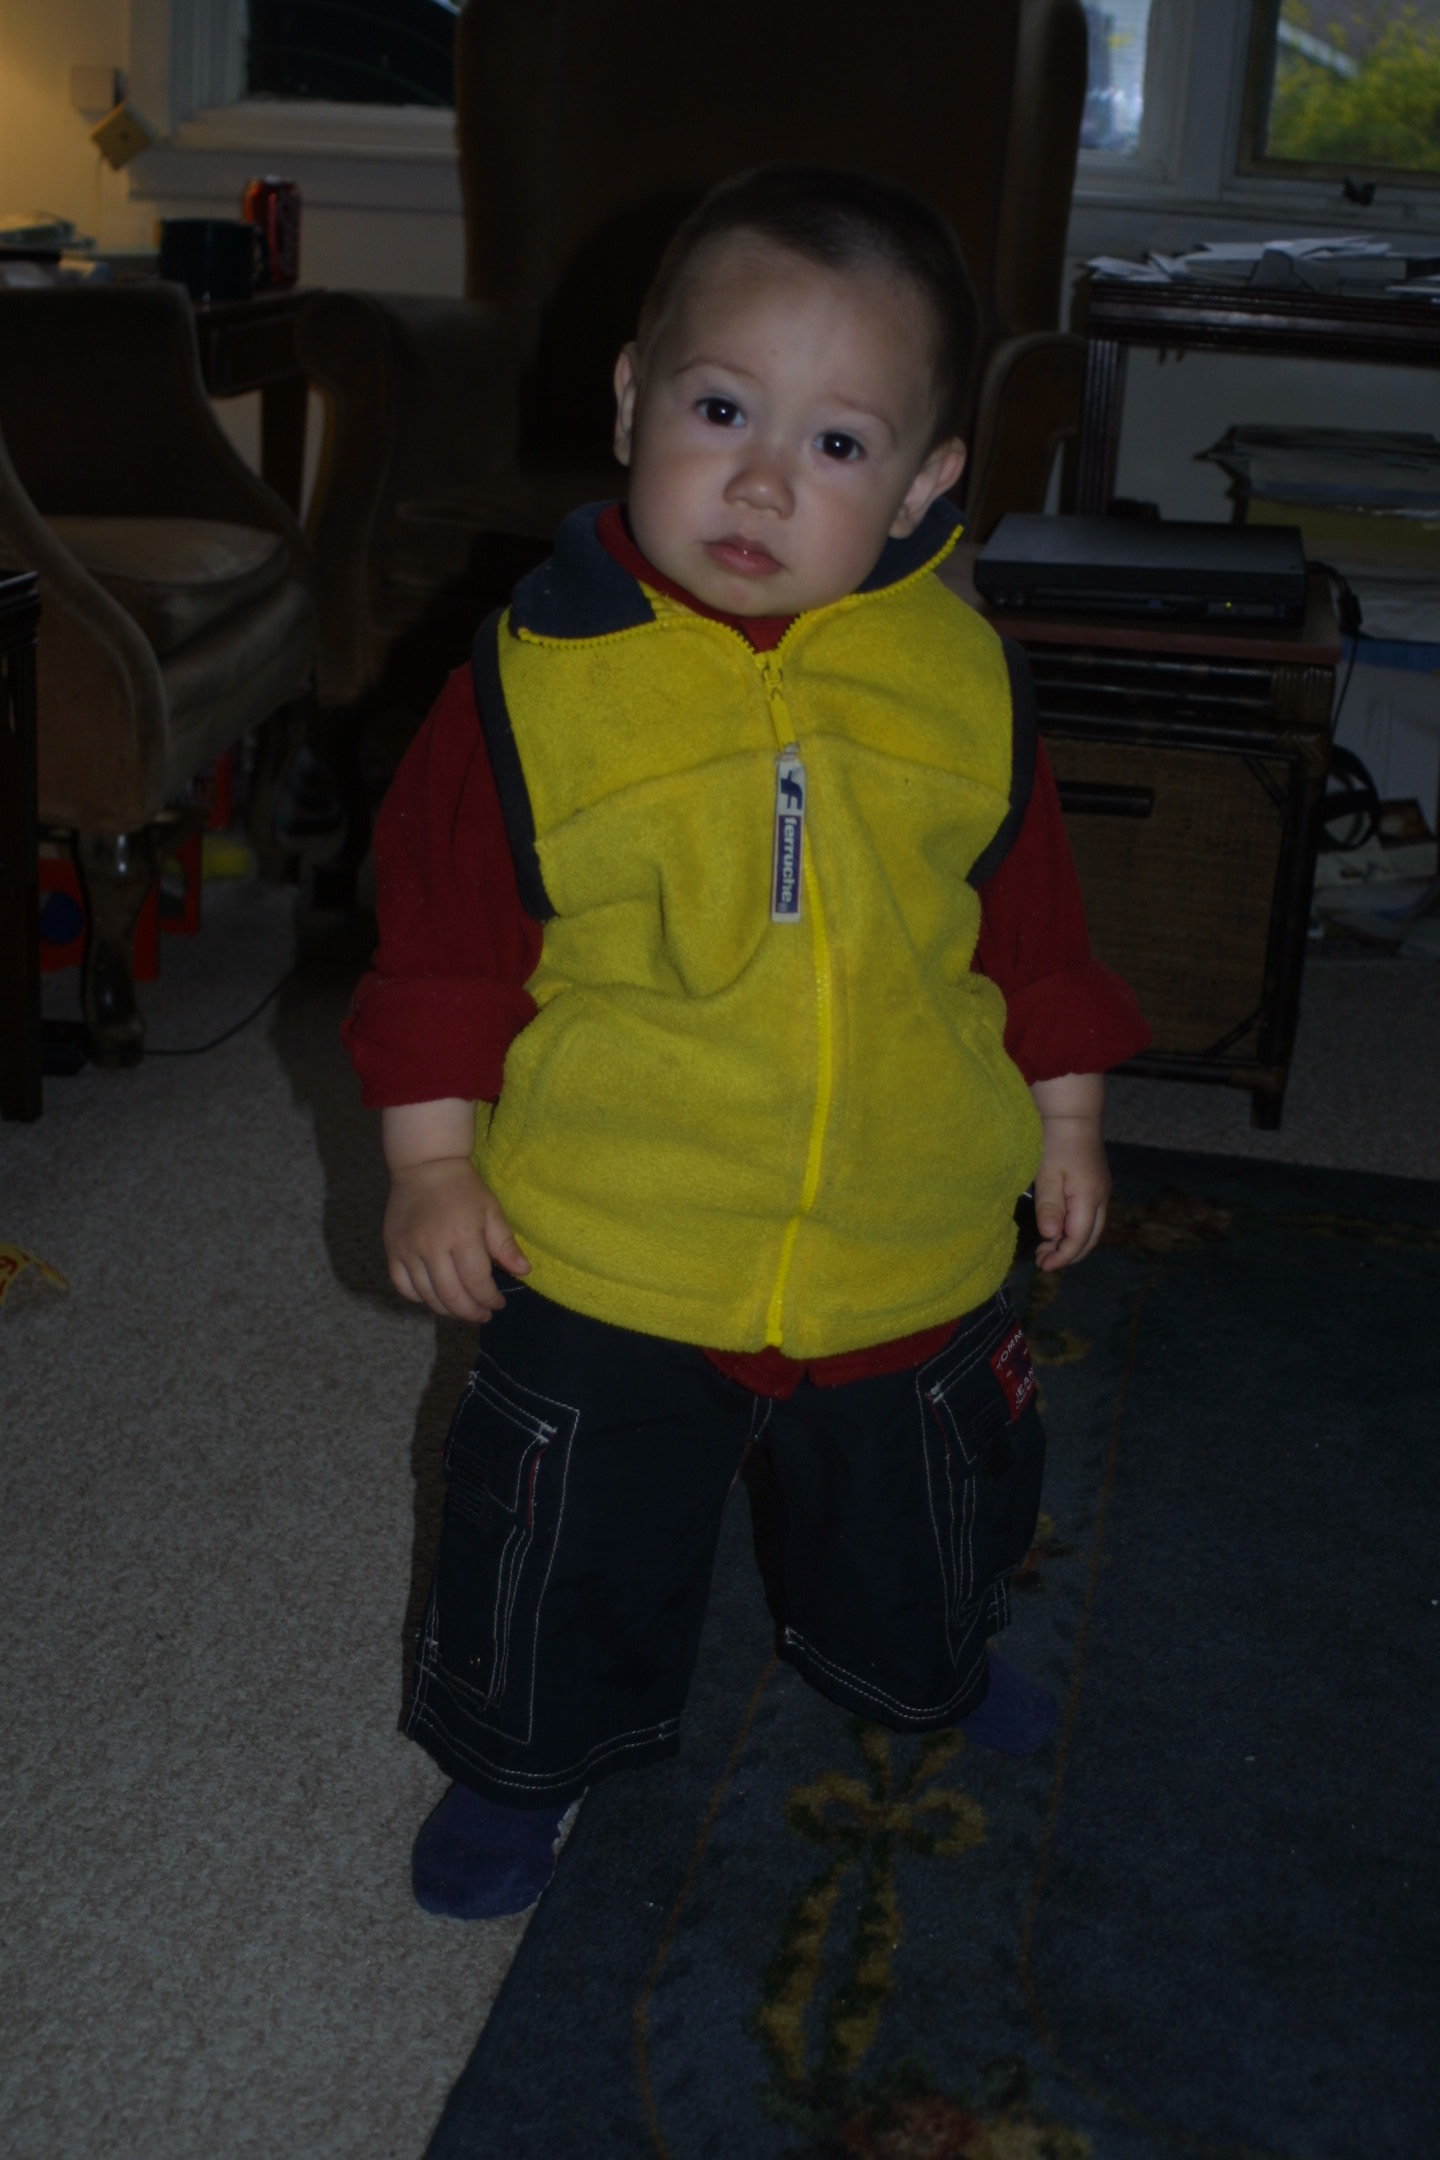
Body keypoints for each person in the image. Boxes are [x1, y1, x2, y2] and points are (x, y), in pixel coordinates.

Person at [343, 166, 1149, 1921]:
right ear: (634, 397)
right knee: (564, 1530)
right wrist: (431, 1159)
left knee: (923, 1500)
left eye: (839, 443)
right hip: (611, 1237)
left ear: (928, 480)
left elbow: (1035, 932)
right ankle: (522, 1754)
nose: (766, 480)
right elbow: (443, 945)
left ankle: (919, 1663)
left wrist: (1069, 1119)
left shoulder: (964, 682)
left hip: (904, 1224)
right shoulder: (531, 687)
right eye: (721, 411)